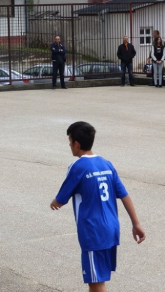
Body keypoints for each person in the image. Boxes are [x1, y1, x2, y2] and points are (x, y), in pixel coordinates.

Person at [50, 121, 146, 291]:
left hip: (93, 232)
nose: (69, 145)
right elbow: (124, 195)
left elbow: (61, 200)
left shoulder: (77, 166)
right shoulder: (106, 164)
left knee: (96, 283)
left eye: (70, 141)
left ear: (76, 144)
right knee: (97, 279)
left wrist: (54, 203)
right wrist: (136, 224)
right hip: (111, 229)